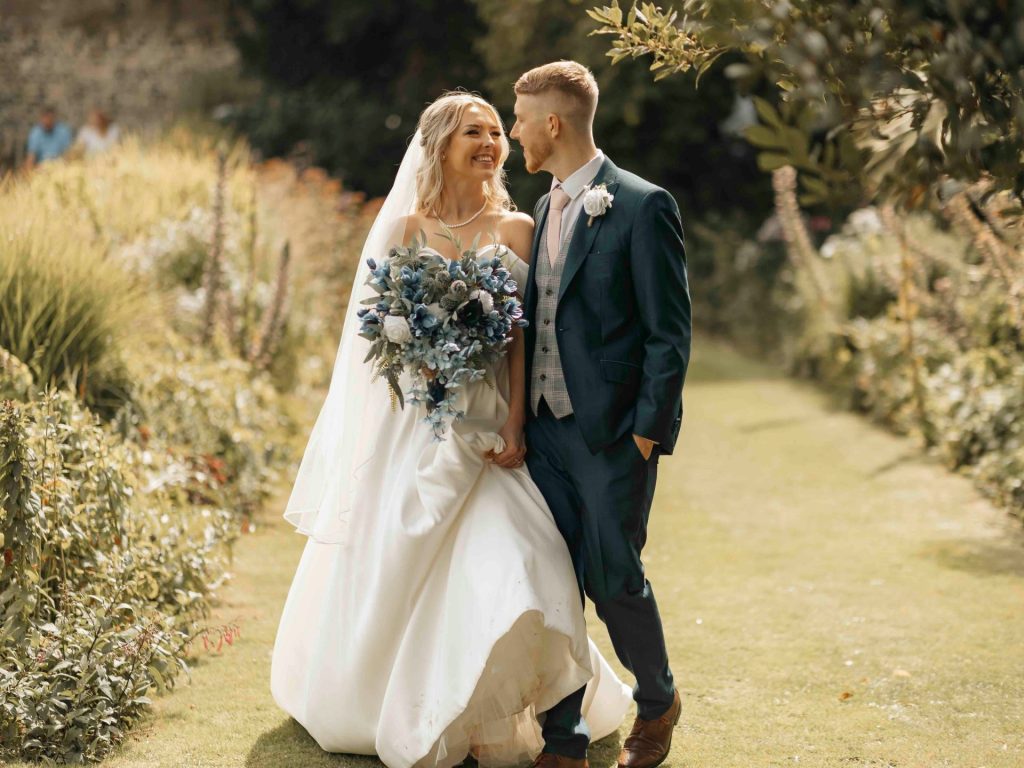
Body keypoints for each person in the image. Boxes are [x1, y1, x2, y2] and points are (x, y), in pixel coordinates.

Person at [270, 92, 631, 768]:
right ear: (439, 144)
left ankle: (559, 726)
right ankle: (421, 706)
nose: (491, 142)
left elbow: (524, 341)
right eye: (474, 131)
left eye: (497, 131)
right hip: (420, 430)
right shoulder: (406, 230)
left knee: (530, 557)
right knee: (408, 572)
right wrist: (424, 367)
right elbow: (377, 335)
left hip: (493, 430)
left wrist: (517, 420)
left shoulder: (519, 227)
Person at [510, 61, 691, 768]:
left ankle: (658, 701)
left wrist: (646, 434)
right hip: (541, 432)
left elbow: (668, 333)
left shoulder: (642, 205)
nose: (514, 130)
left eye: (520, 118)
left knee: (613, 577)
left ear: (552, 124)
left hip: (613, 436)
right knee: (552, 580)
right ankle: (566, 736)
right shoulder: (538, 211)